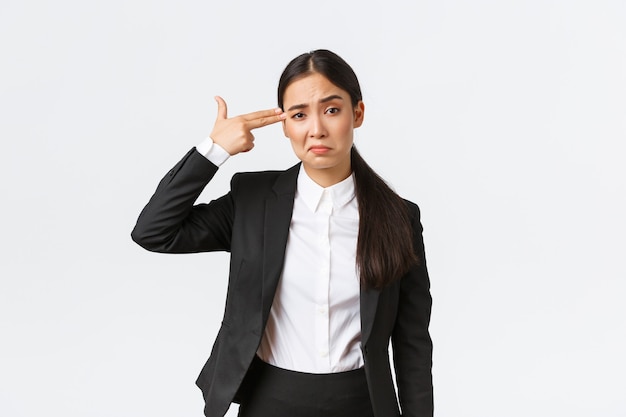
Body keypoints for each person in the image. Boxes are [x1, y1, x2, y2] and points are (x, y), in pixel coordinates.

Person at [131, 49, 433, 417]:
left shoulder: (399, 217)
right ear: (285, 125)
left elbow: (412, 343)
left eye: (332, 110)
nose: (316, 128)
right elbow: (153, 232)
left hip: (362, 403)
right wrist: (214, 151)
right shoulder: (252, 202)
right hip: (270, 401)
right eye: (300, 114)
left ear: (358, 114)